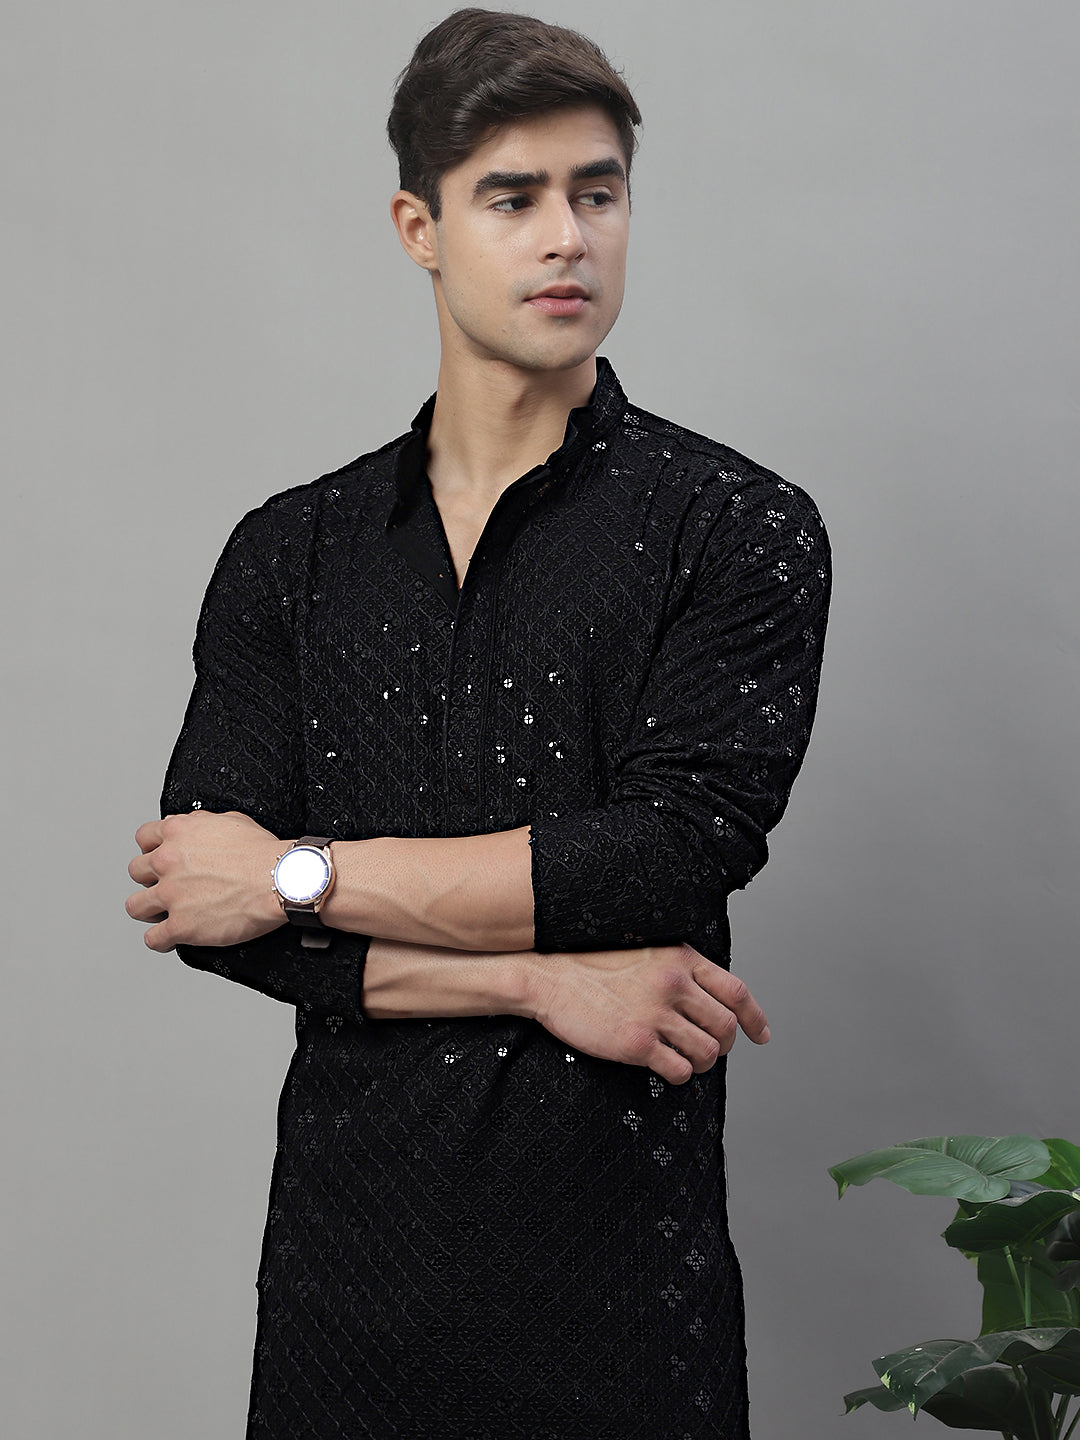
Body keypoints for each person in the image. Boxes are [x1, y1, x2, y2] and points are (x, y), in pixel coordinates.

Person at [125, 8, 830, 1437]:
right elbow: (207, 913)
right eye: (513, 199)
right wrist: (539, 983)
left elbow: (659, 859)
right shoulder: (290, 551)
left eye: (597, 193)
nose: (568, 238)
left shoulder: (739, 528)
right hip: (342, 1301)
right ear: (421, 229)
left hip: (617, 1299)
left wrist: (295, 874)